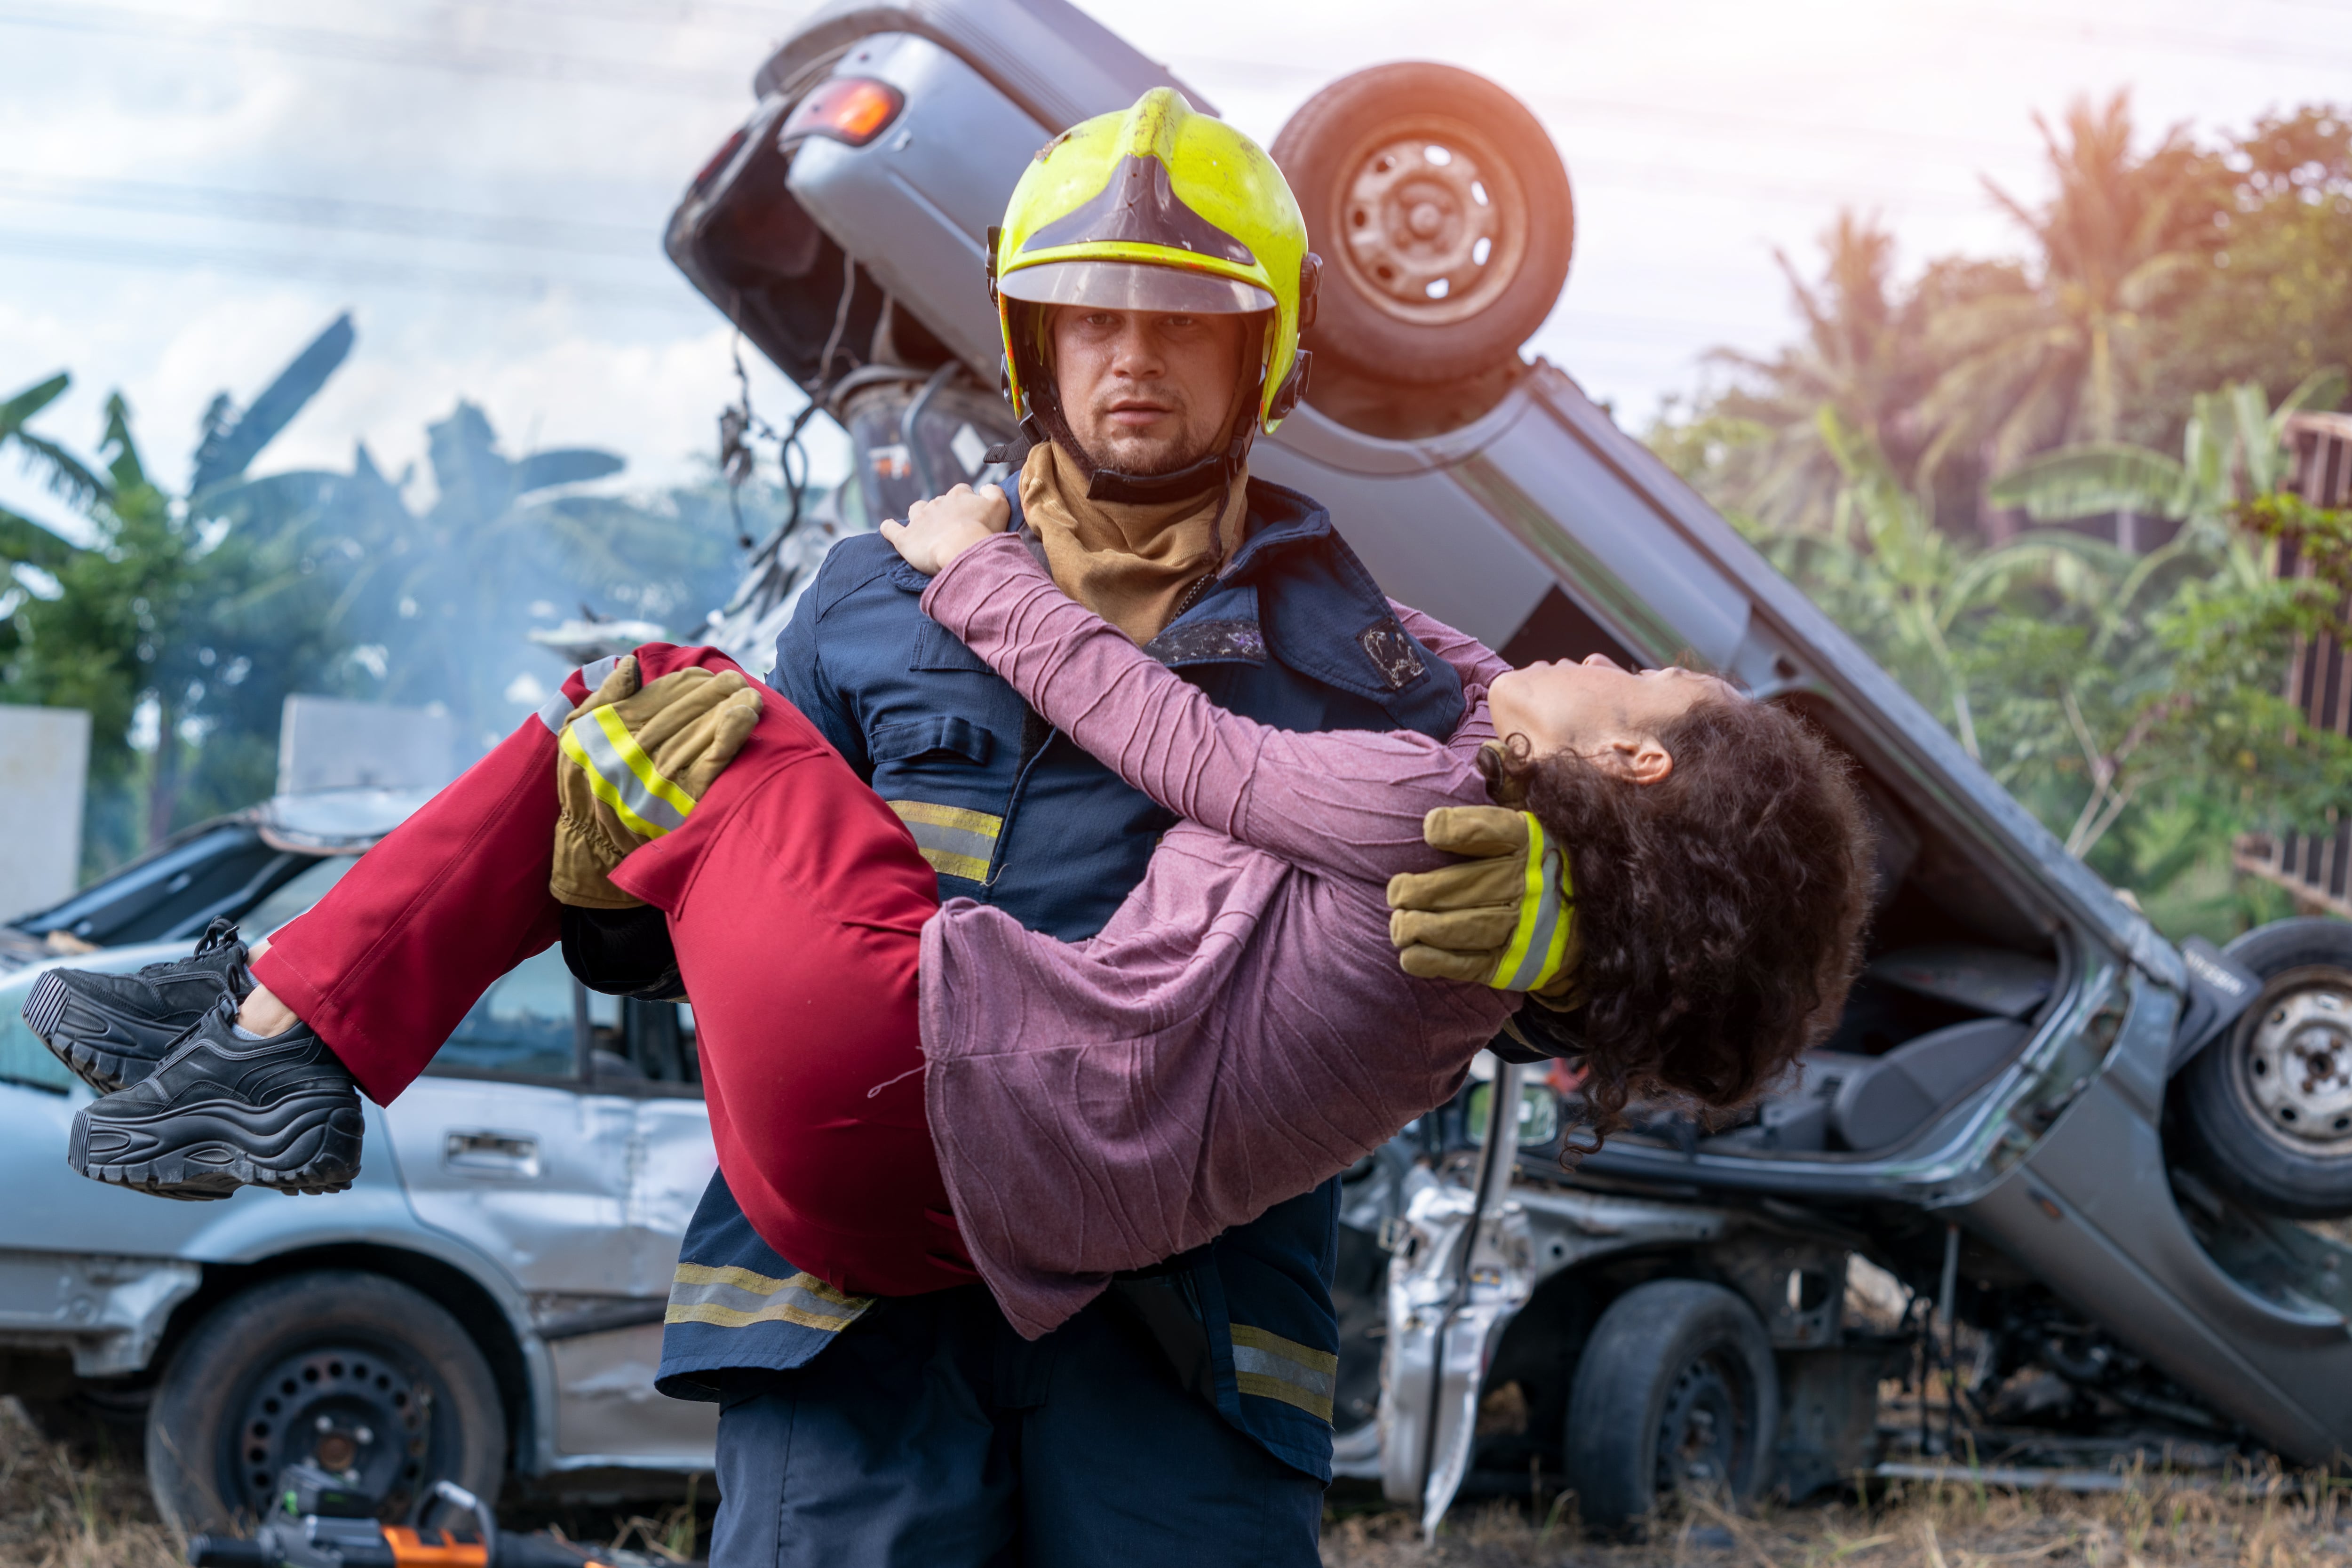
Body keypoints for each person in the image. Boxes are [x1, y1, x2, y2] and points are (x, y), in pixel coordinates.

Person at [25, 87, 1855, 1567]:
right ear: (1028, 342)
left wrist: (1553, 955)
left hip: (1181, 1341)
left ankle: (265, 1028)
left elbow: (1604, 932)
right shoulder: (862, 606)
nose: (1131, 359)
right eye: (1091, 318)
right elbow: (711, 925)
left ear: (1266, 356)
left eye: (1185, 321)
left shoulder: (1365, 659)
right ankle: (272, 1028)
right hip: (849, 1323)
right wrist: (607, 874)